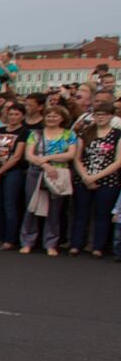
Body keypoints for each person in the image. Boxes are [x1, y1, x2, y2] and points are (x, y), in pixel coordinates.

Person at [20, 105, 79, 256]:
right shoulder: (36, 134)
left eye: (55, 116)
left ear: (62, 118)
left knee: (55, 209)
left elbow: (70, 155)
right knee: (31, 207)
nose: (51, 118)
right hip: (36, 172)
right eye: (49, 116)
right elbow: (29, 155)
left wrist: (48, 158)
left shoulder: (69, 134)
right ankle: (27, 241)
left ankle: (51, 243)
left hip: (58, 173)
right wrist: (45, 165)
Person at [70, 101, 121, 257]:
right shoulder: (85, 133)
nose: (100, 118)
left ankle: (98, 247)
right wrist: (86, 176)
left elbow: (118, 161)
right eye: (97, 115)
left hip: (107, 179)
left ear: (111, 116)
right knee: (81, 213)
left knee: (102, 214)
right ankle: (76, 244)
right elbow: (77, 158)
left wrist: (96, 177)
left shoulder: (117, 134)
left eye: (104, 115)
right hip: (84, 178)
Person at [0, 102, 32, 250]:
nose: (13, 117)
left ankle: (10, 238)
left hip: (14, 172)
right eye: (11, 114)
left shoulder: (24, 132)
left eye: (17, 114)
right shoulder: (0, 130)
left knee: (10, 205)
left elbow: (17, 156)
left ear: (23, 116)